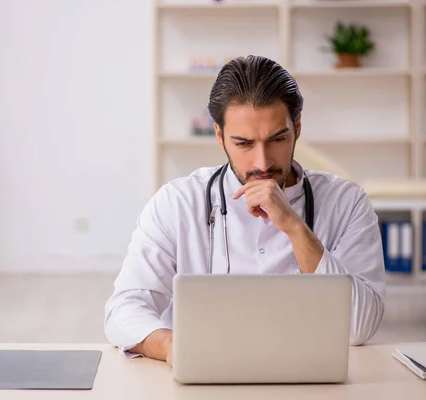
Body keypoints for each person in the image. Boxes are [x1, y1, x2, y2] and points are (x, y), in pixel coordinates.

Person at [104, 55, 386, 366]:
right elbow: (124, 310)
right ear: (219, 135)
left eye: (277, 139)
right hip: (206, 378)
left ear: (298, 127)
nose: (262, 163)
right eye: (243, 144)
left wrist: (295, 227)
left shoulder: (347, 203)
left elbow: (360, 327)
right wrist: (174, 346)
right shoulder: (177, 203)